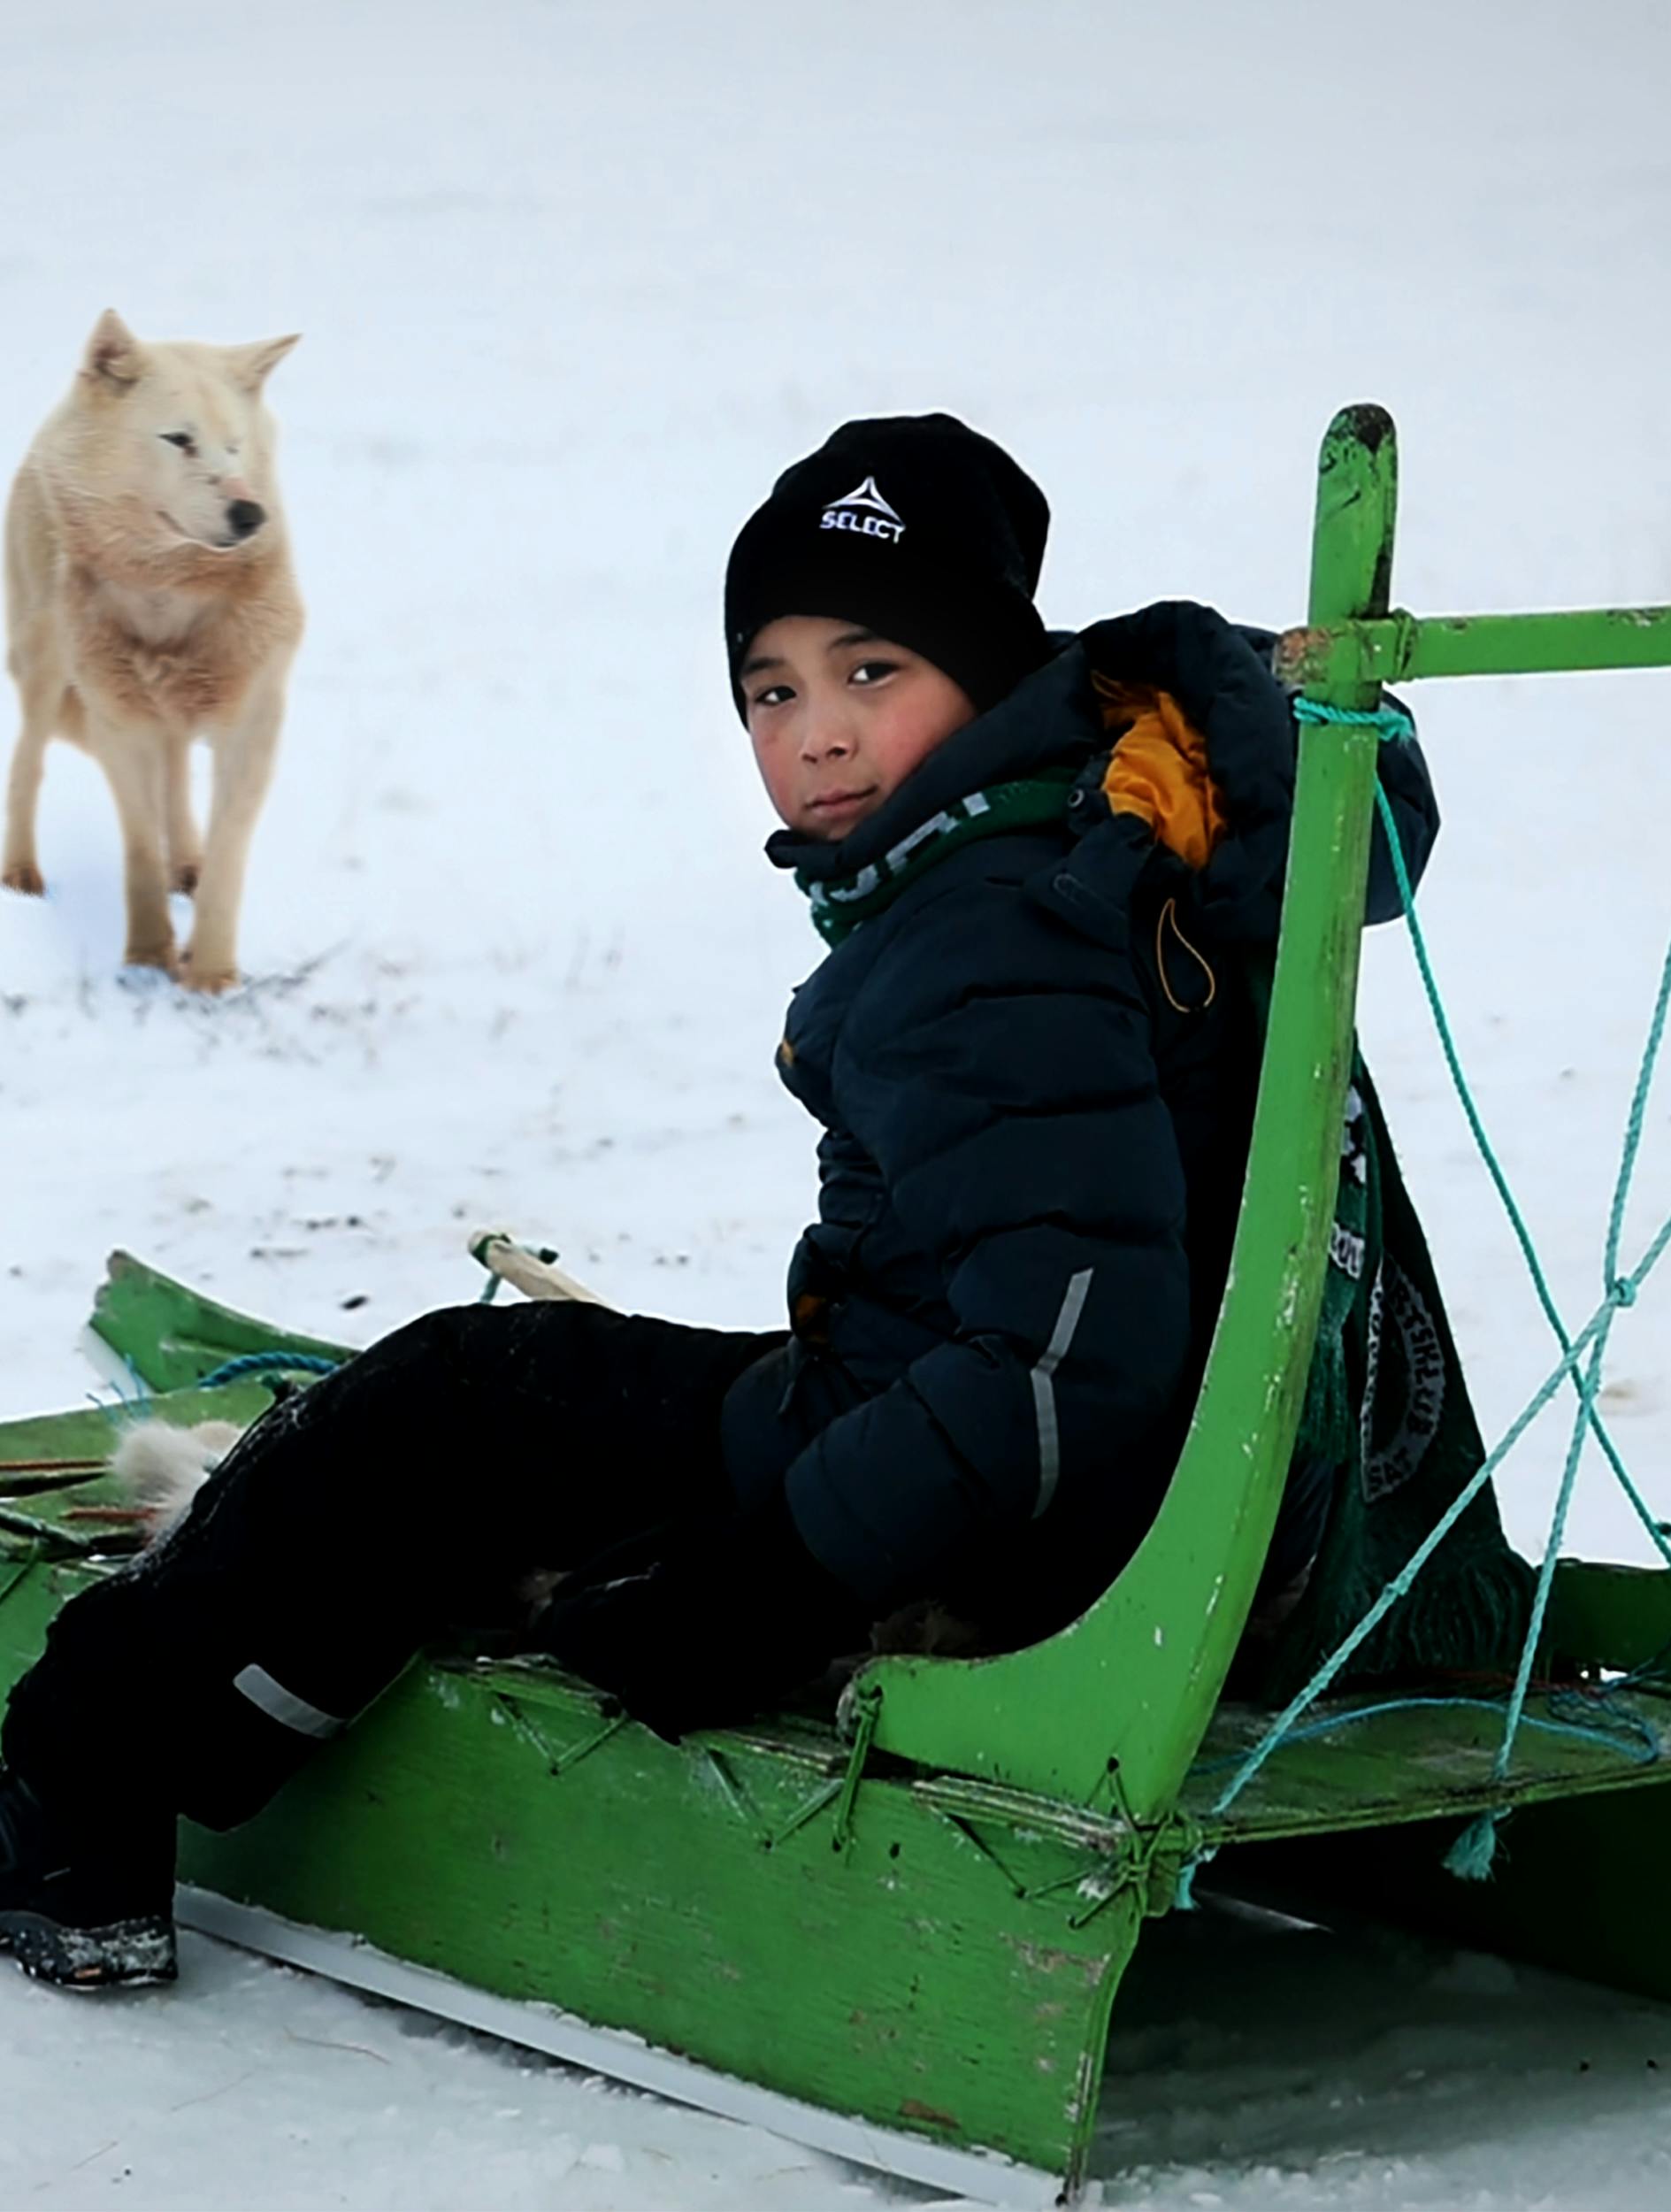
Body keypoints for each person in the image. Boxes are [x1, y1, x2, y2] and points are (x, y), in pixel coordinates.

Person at [0, 412, 1445, 1989]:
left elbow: (1054, 1363)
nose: (815, 732)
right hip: (1085, 1482)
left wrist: (769, 1587)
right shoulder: (1115, 853)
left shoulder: (997, 934)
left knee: (448, 1399)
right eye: (773, 689)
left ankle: (75, 1785)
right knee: (523, 1405)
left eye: (872, 671)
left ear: (990, 675)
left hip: (998, 1531)